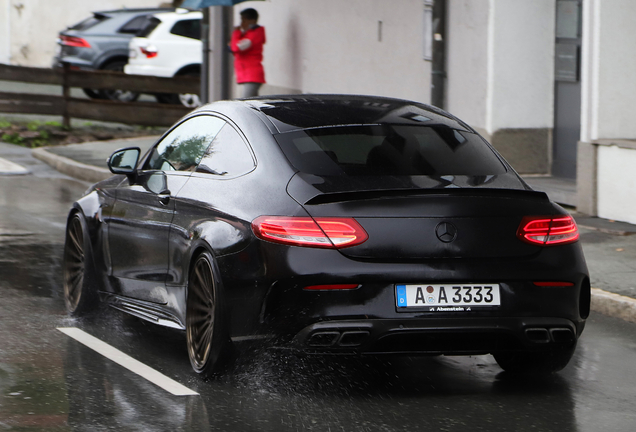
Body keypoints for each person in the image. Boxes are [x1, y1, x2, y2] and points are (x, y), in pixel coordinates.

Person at [230, 8, 266, 98]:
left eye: (244, 20)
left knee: (245, 102)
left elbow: (236, 48)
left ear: (252, 21)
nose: (241, 24)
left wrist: (236, 33)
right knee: (252, 103)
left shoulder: (254, 34)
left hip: (252, 75)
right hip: (248, 74)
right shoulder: (248, 34)